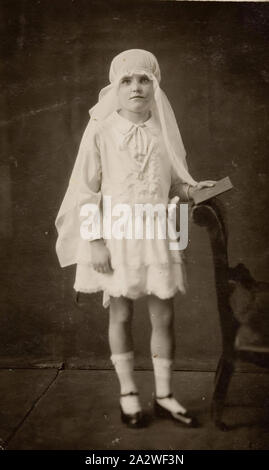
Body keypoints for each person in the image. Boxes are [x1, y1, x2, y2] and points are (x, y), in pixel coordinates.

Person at [55, 49, 215, 428]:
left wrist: (194, 190)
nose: (136, 87)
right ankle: (128, 393)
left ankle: (164, 395)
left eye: (145, 79)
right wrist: (94, 240)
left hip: (156, 232)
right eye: (127, 80)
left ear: (155, 85)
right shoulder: (101, 130)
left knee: (163, 314)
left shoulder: (162, 132)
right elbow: (86, 190)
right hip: (118, 234)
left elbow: (174, 182)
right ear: (115, 86)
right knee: (122, 312)